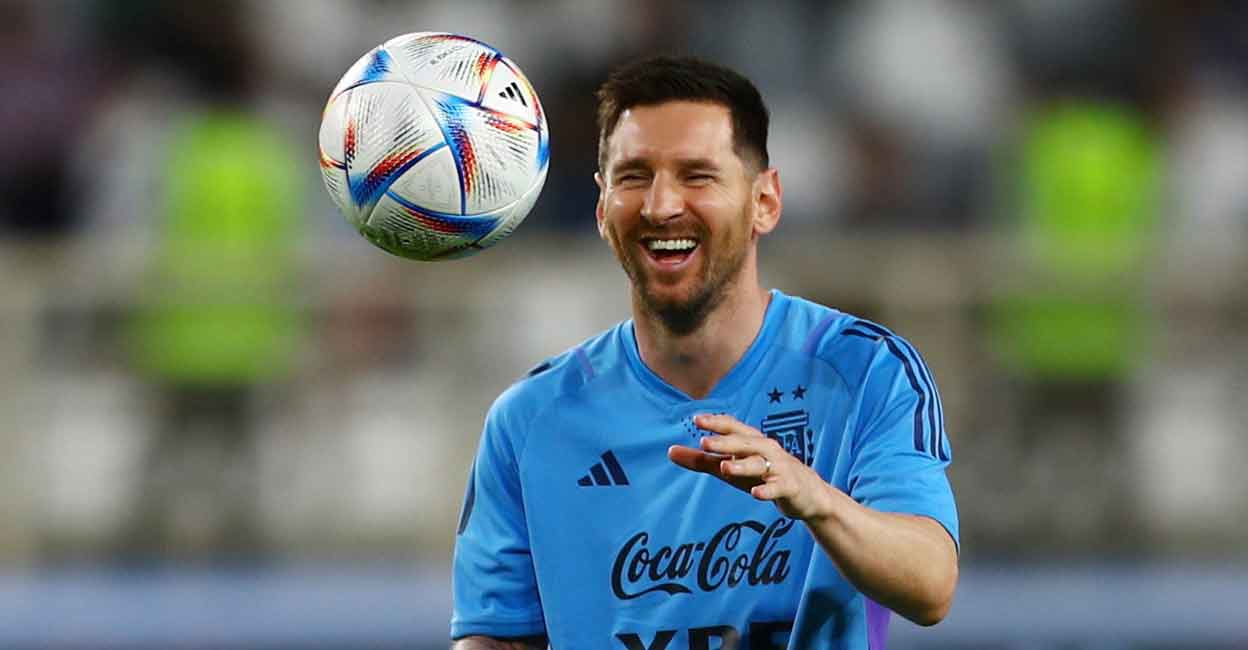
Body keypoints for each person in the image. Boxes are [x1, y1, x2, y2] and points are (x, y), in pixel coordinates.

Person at [451, 56, 959, 649]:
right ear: (602, 207)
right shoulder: (531, 420)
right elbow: (496, 637)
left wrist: (814, 498)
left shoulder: (864, 371)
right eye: (634, 176)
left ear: (764, 201)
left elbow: (931, 584)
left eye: (697, 176)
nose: (661, 205)